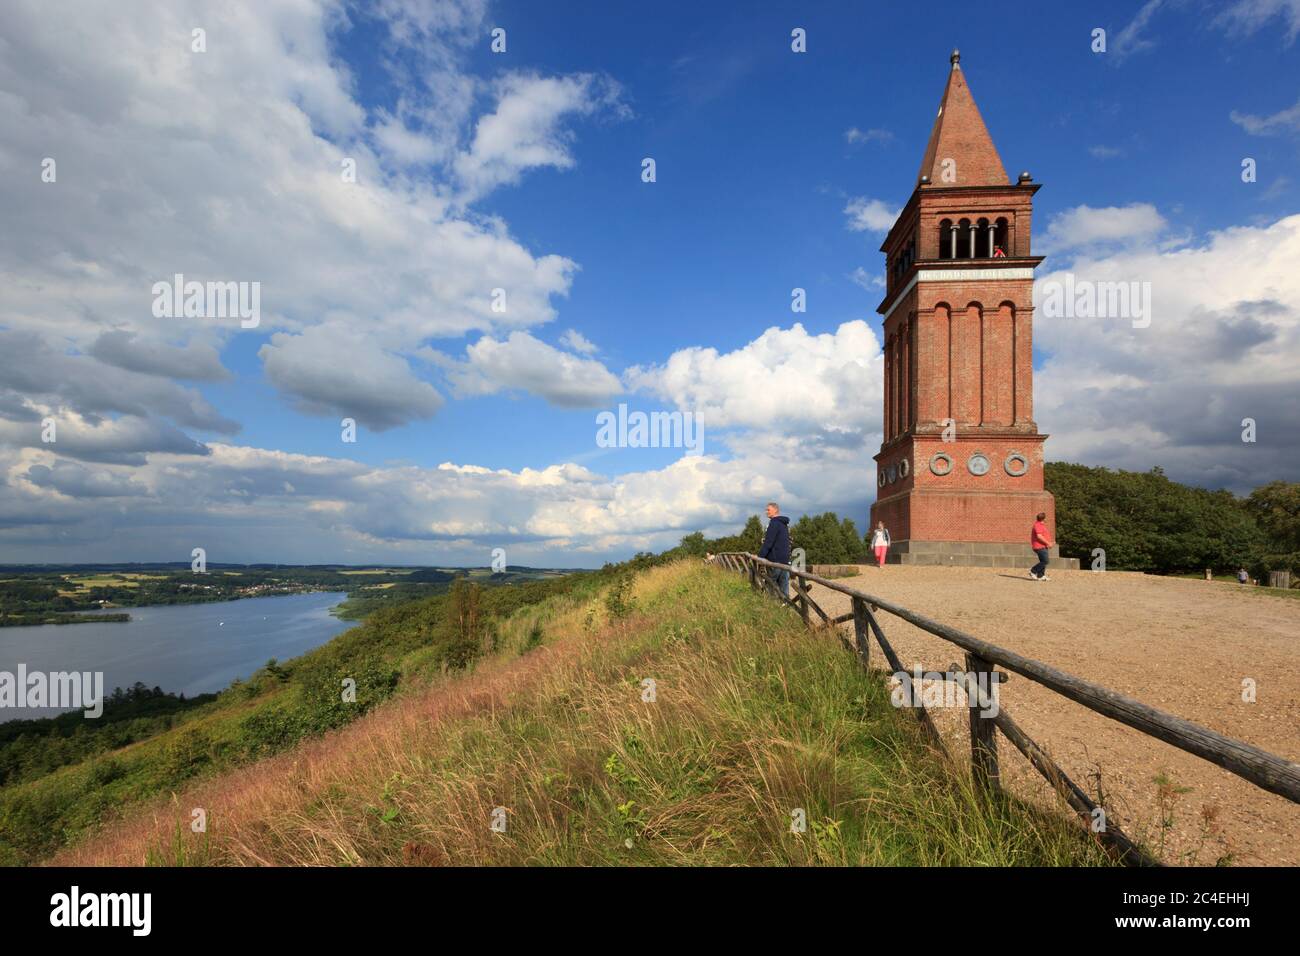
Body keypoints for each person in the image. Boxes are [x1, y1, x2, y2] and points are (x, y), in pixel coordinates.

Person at [758, 501, 791, 598]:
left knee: (771, 585)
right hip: (785, 560)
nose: (766, 512)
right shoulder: (784, 524)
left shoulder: (774, 523)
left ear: (775, 510)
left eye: (768, 510)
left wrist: (760, 556)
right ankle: (785, 605)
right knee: (784, 585)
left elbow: (768, 542)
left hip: (775, 560)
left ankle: (771, 607)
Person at [1029, 512, 1051, 581]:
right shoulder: (1038, 525)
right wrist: (1048, 543)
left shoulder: (1041, 525)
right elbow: (1039, 536)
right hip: (1039, 546)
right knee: (1045, 561)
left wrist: (1049, 542)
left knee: (1043, 561)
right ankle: (1033, 571)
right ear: (1044, 518)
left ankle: (1041, 575)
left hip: (1043, 546)